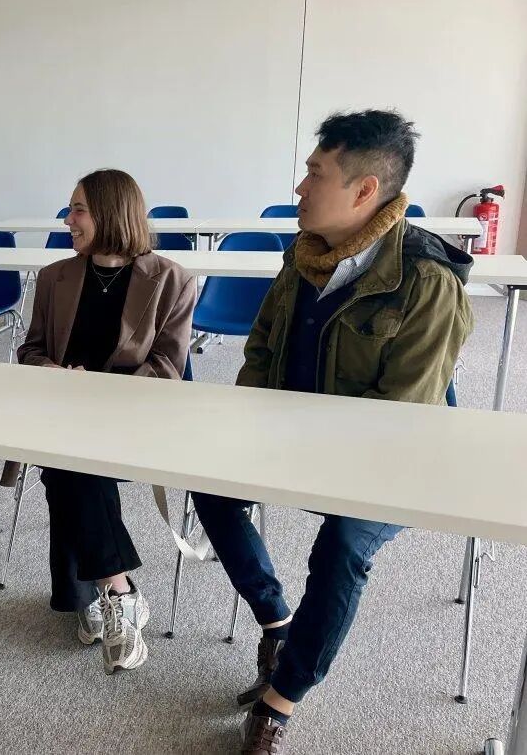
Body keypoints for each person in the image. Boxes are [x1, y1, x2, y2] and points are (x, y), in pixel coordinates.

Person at [190, 110, 474, 754]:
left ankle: (281, 699)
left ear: (364, 190)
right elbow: (262, 349)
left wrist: (300, 450)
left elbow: (401, 417)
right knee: (207, 483)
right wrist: (248, 432)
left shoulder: (427, 282)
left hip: (389, 457)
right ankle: (277, 620)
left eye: (315, 174)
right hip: (294, 439)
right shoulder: (304, 256)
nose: (299, 187)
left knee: (344, 543)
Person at [17, 168, 196, 675]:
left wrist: (98, 392)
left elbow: (167, 367)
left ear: (111, 214)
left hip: (132, 415)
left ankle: (100, 592)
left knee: (66, 464)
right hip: (64, 412)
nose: (68, 220)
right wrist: (54, 373)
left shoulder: (172, 280)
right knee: (69, 458)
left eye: (78, 210)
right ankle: (118, 589)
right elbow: (30, 350)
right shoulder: (55, 277)